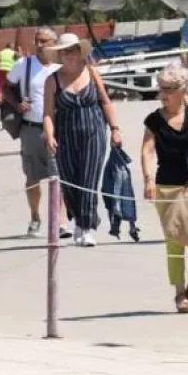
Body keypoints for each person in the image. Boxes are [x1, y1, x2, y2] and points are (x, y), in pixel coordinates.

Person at [42, 33, 122, 248]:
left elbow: (105, 102)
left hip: (93, 133)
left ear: (80, 52)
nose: (69, 54)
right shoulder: (52, 80)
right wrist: (49, 135)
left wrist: (115, 129)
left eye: (73, 50)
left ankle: (85, 228)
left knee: (88, 180)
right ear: (60, 54)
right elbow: (48, 113)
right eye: (65, 51)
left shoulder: (91, 72)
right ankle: (78, 218)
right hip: (65, 136)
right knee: (69, 181)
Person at [141, 65, 188, 313]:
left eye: (169, 89)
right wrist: (148, 179)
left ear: (184, 90)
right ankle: (180, 291)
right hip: (167, 184)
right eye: (161, 89)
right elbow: (147, 150)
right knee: (175, 240)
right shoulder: (155, 120)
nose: (164, 94)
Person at [6, 27, 68, 239]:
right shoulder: (24, 64)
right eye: (37, 41)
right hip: (31, 128)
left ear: (54, 42)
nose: (40, 45)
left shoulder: (62, 65)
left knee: (58, 175)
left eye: (44, 41)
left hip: (58, 130)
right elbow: (6, 87)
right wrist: (17, 103)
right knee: (32, 177)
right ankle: (35, 217)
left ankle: (60, 221)